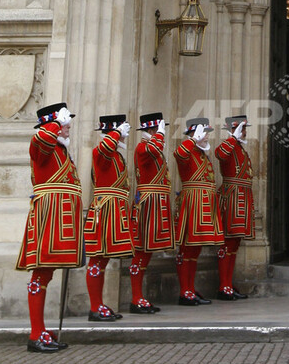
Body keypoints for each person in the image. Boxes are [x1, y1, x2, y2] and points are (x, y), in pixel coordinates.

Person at [17, 103, 83, 353]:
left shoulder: (61, 149)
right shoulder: (41, 144)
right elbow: (41, 138)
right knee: (40, 271)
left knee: (46, 273)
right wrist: (55, 122)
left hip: (61, 217)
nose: (68, 127)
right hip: (49, 215)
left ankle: (41, 329)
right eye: (65, 123)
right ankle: (35, 334)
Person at [83, 114, 135, 322]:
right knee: (97, 258)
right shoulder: (102, 152)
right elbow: (103, 149)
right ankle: (94, 306)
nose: (125, 136)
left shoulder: (117, 156)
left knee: (103, 260)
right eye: (123, 132)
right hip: (104, 210)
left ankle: (99, 304)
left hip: (116, 209)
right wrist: (116, 132)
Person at [173, 117, 224, 305]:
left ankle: (190, 288)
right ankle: (184, 291)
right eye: (204, 134)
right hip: (192, 205)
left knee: (195, 251)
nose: (207, 137)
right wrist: (193, 139)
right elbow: (179, 154)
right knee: (186, 249)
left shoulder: (202, 154)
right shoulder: (188, 150)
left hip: (204, 205)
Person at [130, 112, 174, 314]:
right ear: (151, 130)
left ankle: (139, 296)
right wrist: (160, 135)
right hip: (147, 204)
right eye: (158, 129)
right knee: (140, 251)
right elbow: (155, 148)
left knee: (146, 253)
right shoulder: (143, 147)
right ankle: (136, 297)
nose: (161, 133)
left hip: (156, 202)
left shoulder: (151, 146)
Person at [215, 115, 254, 301]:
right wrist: (232, 137)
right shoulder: (229, 145)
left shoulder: (239, 148)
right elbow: (220, 154)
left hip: (242, 196)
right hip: (232, 197)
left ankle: (228, 284)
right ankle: (223, 286)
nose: (244, 132)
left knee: (235, 243)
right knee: (227, 242)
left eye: (244, 129)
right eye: (241, 129)